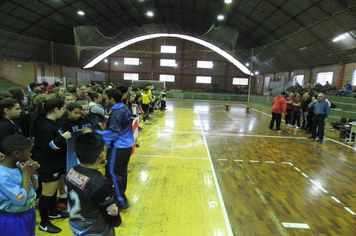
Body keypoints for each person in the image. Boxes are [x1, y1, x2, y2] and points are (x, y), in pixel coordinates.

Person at [65, 133, 122, 235]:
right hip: (97, 232)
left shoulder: (71, 171)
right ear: (101, 155)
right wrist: (117, 222)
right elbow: (112, 214)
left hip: (76, 228)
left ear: (75, 155)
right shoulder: (100, 184)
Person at [30, 97, 71, 233]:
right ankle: (44, 222)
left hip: (55, 162)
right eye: (63, 109)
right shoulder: (46, 126)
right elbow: (48, 148)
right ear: (56, 109)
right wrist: (62, 138)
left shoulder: (52, 122)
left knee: (53, 191)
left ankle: (53, 212)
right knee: (47, 192)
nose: (64, 111)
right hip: (48, 164)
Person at [96, 89, 134, 209]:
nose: (105, 101)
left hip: (117, 147)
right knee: (121, 172)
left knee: (112, 173)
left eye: (106, 99)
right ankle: (121, 195)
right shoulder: (125, 109)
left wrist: (95, 132)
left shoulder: (117, 113)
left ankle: (120, 200)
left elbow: (114, 134)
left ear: (112, 99)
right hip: (126, 146)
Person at [0, 135, 40, 236]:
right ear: (17, 153)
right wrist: (26, 174)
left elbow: (35, 187)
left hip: (29, 212)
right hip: (12, 218)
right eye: (29, 152)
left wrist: (31, 172)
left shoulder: (20, 166)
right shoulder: (3, 176)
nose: (31, 154)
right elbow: (20, 200)